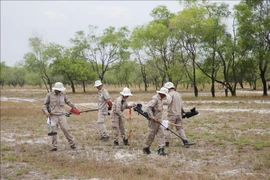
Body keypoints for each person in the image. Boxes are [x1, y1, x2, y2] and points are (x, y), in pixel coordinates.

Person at [43, 82, 77, 151]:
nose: (59, 91)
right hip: (53, 116)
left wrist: (74, 107)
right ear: (55, 89)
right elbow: (44, 105)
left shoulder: (63, 95)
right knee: (53, 131)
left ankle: (72, 144)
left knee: (66, 130)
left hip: (62, 116)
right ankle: (54, 147)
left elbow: (68, 102)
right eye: (58, 89)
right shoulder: (49, 95)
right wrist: (46, 112)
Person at [163, 82, 195, 147]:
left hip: (172, 114)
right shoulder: (178, 94)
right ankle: (185, 141)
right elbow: (181, 105)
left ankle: (166, 143)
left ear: (168, 88)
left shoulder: (170, 94)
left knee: (168, 128)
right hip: (179, 114)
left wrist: (161, 101)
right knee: (180, 128)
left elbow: (168, 102)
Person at [142, 87, 168, 156]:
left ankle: (161, 149)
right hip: (153, 121)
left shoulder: (161, 99)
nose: (165, 96)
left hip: (159, 121)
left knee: (162, 134)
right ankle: (146, 148)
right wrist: (152, 117)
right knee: (151, 135)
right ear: (161, 93)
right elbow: (148, 108)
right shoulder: (155, 98)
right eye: (165, 94)